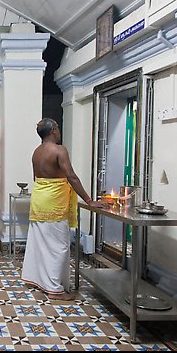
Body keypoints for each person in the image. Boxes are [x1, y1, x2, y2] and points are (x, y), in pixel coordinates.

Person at [21, 118, 104, 301]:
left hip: (39, 201)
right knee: (59, 246)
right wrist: (89, 200)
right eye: (57, 127)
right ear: (52, 132)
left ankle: (37, 280)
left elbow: (37, 178)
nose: (59, 130)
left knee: (41, 244)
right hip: (54, 204)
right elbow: (71, 177)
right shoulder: (59, 150)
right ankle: (54, 289)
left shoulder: (37, 152)